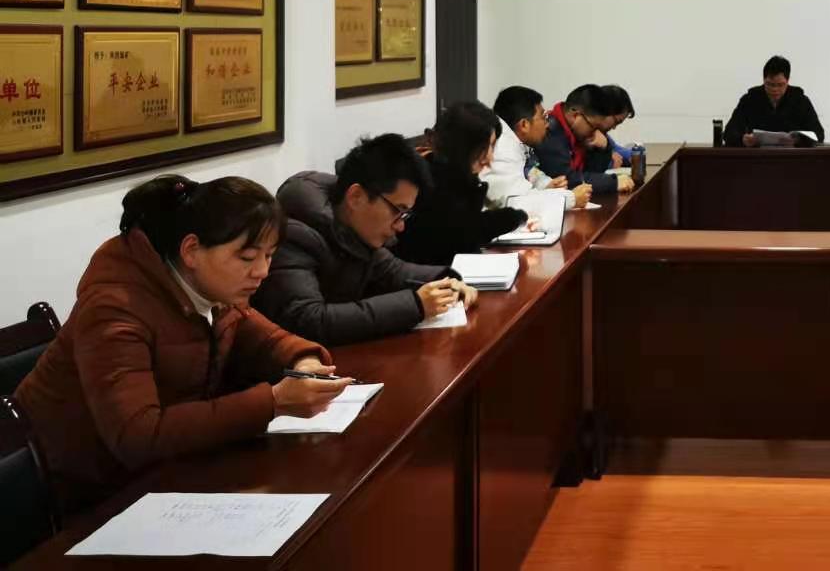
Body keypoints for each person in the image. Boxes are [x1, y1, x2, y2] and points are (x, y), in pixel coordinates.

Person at [15, 175, 349, 512]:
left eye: (269, 255)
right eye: (248, 258)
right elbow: (137, 436)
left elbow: (264, 338)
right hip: (82, 495)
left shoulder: (214, 289)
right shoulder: (115, 308)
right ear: (191, 251)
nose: (262, 271)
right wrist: (272, 402)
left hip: (171, 470)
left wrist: (304, 362)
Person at [254, 135, 479, 346]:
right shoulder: (294, 232)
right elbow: (308, 320)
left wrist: (447, 281)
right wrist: (416, 305)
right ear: (356, 197)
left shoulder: (354, 229)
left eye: (405, 215)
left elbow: (394, 271)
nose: (400, 226)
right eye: (397, 211)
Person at [394, 102, 529, 265]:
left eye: (492, 147)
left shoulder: (461, 177)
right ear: (462, 147)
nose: (489, 158)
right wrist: (514, 217)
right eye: (485, 148)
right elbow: (462, 233)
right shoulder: (428, 183)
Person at [487, 85, 593, 210]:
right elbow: (516, 202)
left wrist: (546, 185)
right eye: (543, 118)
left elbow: (529, 174)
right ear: (524, 125)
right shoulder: (502, 148)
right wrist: (571, 199)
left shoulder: (516, 143)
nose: (547, 125)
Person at [536, 85, 636, 196]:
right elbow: (566, 180)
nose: (595, 132)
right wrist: (613, 183)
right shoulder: (549, 131)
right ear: (575, 115)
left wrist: (602, 148)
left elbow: (593, 172)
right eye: (593, 127)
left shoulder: (579, 132)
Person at [722, 55, 825, 147]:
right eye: (770, 84)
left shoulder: (801, 101)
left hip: (792, 157)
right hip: (758, 157)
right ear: (763, 80)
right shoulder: (750, 99)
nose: (775, 89)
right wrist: (743, 139)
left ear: (788, 81)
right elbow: (728, 133)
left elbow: (819, 134)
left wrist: (798, 140)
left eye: (780, 85)